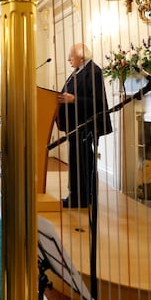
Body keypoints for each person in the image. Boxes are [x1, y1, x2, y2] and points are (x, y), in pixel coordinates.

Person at [56, 43, 112, 208]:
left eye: (71, 56)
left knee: (83, 162)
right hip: (76, 126)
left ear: (81, 57)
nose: (68, 60)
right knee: (76, 161)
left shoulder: (94, 71)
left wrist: (73, 100)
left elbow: (97, 103)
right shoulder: (78, 72)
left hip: (86, 127)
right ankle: (78, 196)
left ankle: (82, 198)